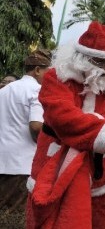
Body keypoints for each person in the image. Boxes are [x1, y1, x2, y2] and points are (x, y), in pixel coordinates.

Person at [26, 21, 105, 229]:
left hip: (97, 170)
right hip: (53, 163)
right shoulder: (56, 77)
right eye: (98, 61)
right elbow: (62, 116)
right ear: (82, 57)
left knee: (98, 219)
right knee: (49, 219)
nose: (104, 68)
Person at [0, 49, 51, 228]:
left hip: (3, 162)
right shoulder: (37, 90)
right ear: (37, 70)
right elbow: (36, 125)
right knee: (15, 218)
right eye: (47, 71)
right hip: (21, 166)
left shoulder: (5, 90)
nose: (49, 77)